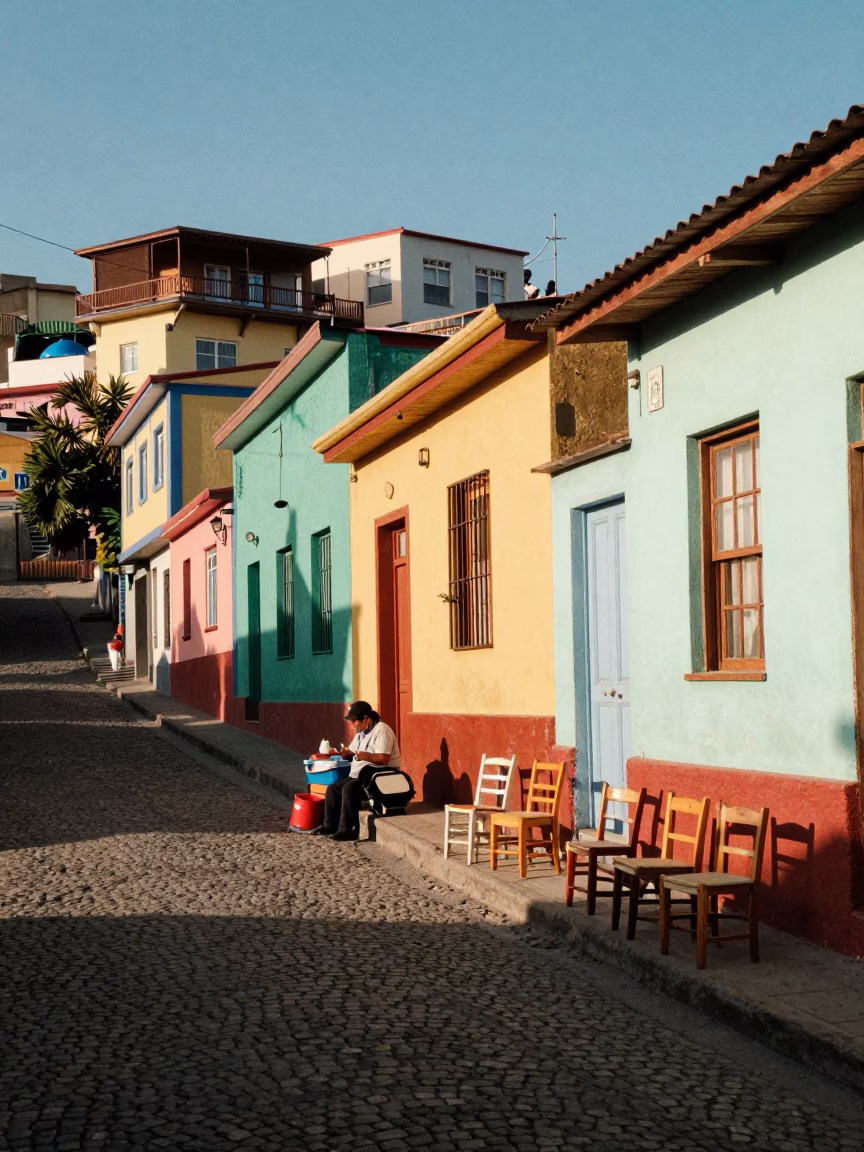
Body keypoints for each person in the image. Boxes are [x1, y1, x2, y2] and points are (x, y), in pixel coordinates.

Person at [314, 701, 401, 841]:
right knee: (332, 789)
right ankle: (329, 825)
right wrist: (345, 754)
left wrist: (364, 755)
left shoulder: (382, 730)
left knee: (349, 789)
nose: (352, 724)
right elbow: (353, 752)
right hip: (361, 776)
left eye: (354, 721)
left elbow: (384, 759)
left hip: (379, 778)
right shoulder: (361, 735)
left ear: (366, 719)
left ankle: (347, 829)